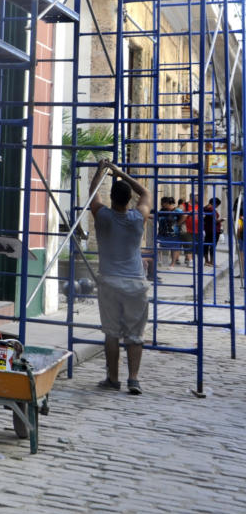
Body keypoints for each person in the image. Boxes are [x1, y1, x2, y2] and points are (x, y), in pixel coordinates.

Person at [89, 159, 152, 396]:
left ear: (112, 198)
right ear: (128, 200)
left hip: (110, 282)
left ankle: (112, 378)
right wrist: (120, 173)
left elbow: (93, 195)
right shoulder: (138, 219)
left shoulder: (103, 216)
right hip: (135, 283)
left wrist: (101, 171)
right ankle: (133, 379)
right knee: (135, 335)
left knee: (112, 333)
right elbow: (145, 192)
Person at [202, 197, 221, 266]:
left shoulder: (207, 209)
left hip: (208, 230)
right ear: (215, 204)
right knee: (212, 246)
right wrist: (221, 220)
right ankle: (212, 262)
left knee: (207, 245)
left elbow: (203, 209)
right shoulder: (211, 209)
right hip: (214, 230)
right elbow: (215, 220)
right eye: (217, 205)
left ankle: (207, 261)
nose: (217, 206)